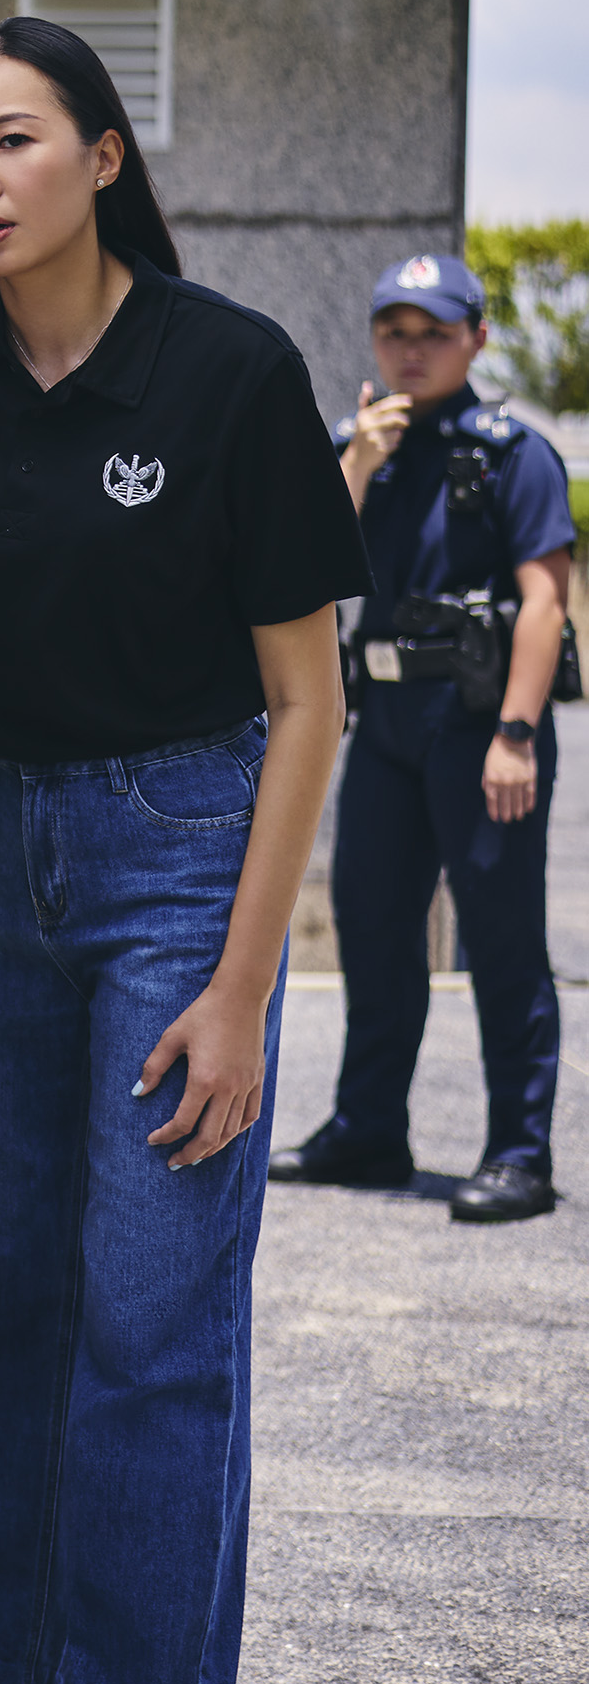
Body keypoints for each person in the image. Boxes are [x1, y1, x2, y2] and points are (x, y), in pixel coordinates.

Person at [0, 16, 368, 1684]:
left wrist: (239, 990)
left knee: (145, 1316)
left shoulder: (226, 367)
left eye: (11, 140)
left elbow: (303, 705)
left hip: (176, 853)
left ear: (102, 157)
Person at [269, 256, 572, 1223]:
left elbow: (545, 603)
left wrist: (518, 732)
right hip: (389, 727)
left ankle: (520, 1153)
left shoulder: (515, 452)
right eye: (395, 331)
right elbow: (303, 563)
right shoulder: (359, 447)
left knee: (502, 940)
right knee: (372, 925)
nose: (412, 349)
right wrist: (356, 459)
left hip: (482, 728)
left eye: (434, 332)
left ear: (477, 338)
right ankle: (369, 1130)